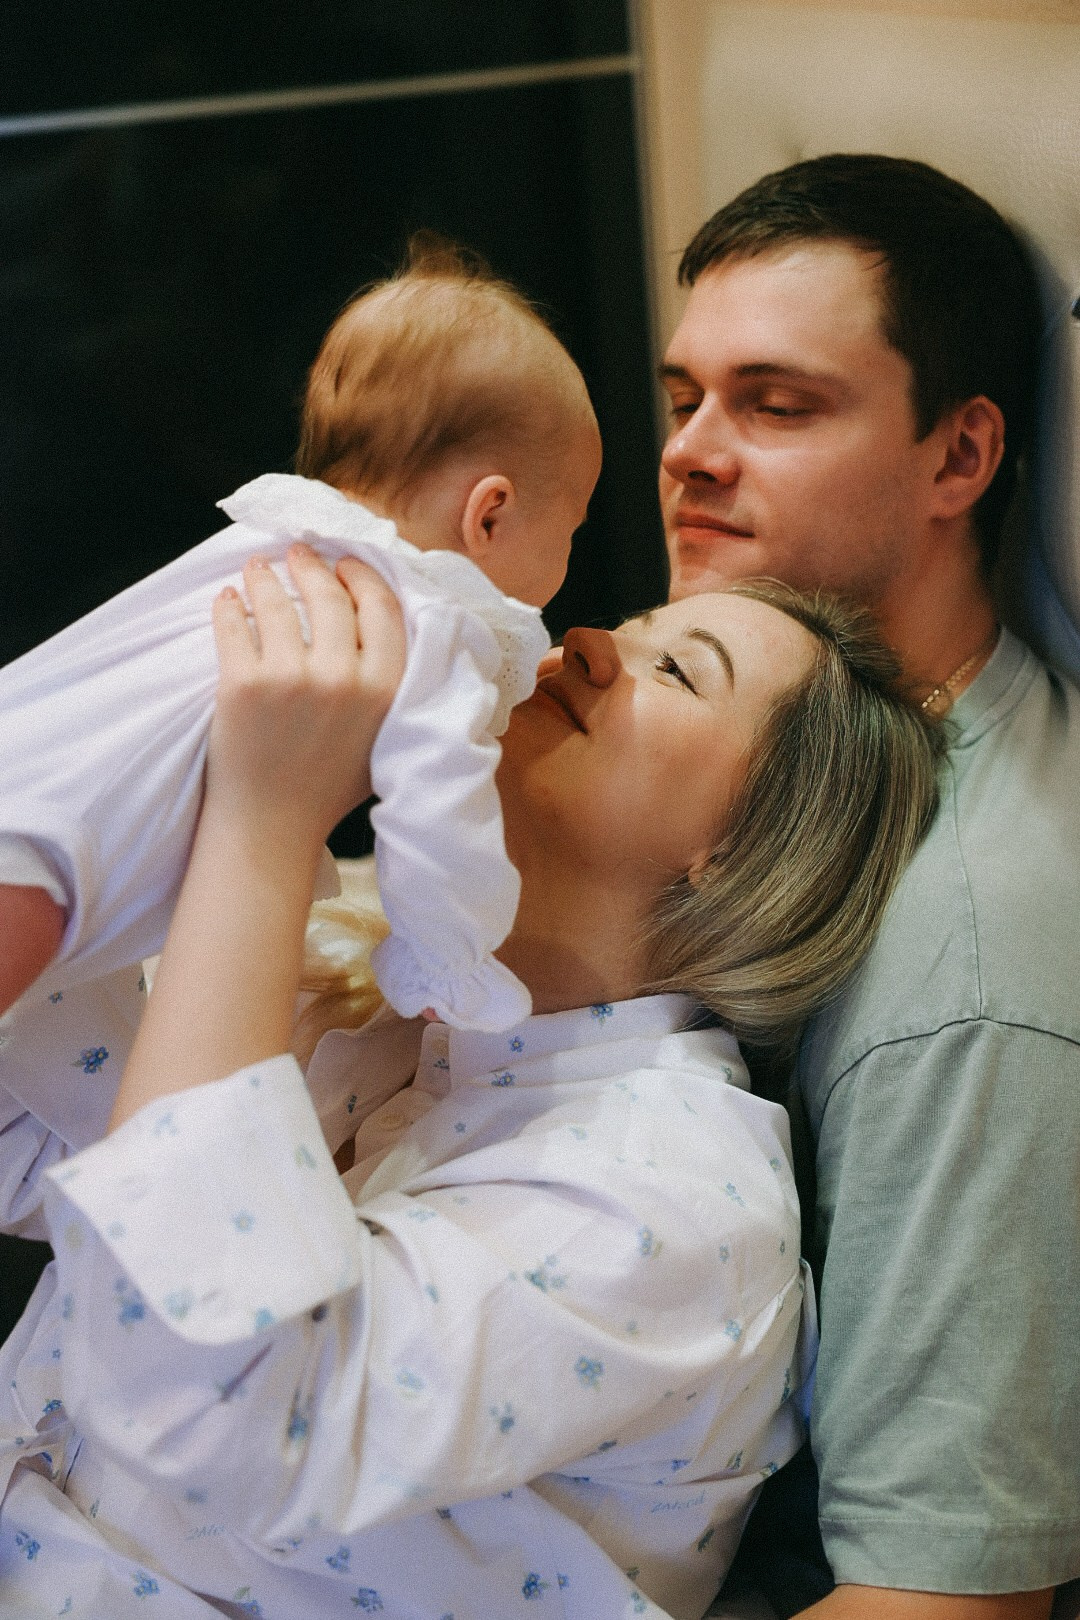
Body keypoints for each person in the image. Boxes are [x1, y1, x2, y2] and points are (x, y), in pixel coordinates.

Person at [0, 549, 939, 1618]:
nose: (586, 643)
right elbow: (38, 1140)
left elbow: (207, 1401)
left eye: (680, 671)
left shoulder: (680, 1210)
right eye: (633, 623)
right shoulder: (401, 1004)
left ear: (745, 849)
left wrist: (261, 825)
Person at [657, 153, 1080, 1617]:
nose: (695, 452)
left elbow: (944, 1602)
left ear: (960, 459)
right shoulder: (776, 748)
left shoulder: (958, 975)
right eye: (686, 397)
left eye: (777, 406)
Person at [0, 241, 602, 1240]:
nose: (568, 564)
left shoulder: (276, 538)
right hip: (60, 863)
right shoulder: (425, 614)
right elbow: (435, 819)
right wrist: (446, 965)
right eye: (571, 529)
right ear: (488, 514)